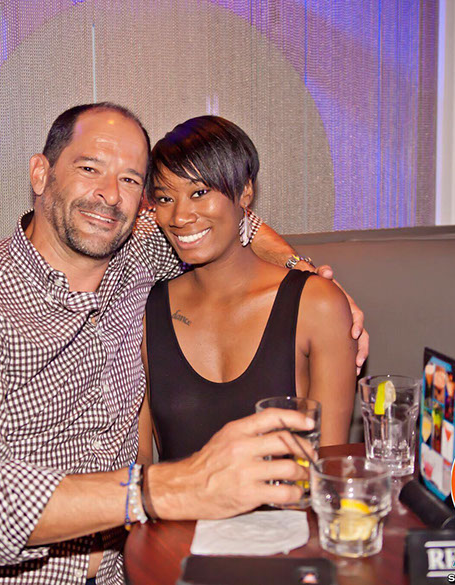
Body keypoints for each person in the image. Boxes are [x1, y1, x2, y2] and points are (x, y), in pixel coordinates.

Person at [0, 103, 366, 584]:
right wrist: (168, 488)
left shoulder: (138, 257)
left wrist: (307, 277)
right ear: (41, 173)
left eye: (130, 179)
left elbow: (229, 220)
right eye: (89, 168)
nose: (109, 194)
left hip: (129, 571)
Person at [139, 116, 356, 464]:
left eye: (199, 193)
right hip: (177, 502)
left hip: (293, 501)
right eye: (165, 198)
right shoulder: (146, 312)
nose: (179, 216)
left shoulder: (316, 305)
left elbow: (328, 464)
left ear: (245, 192)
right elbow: (139, 469)